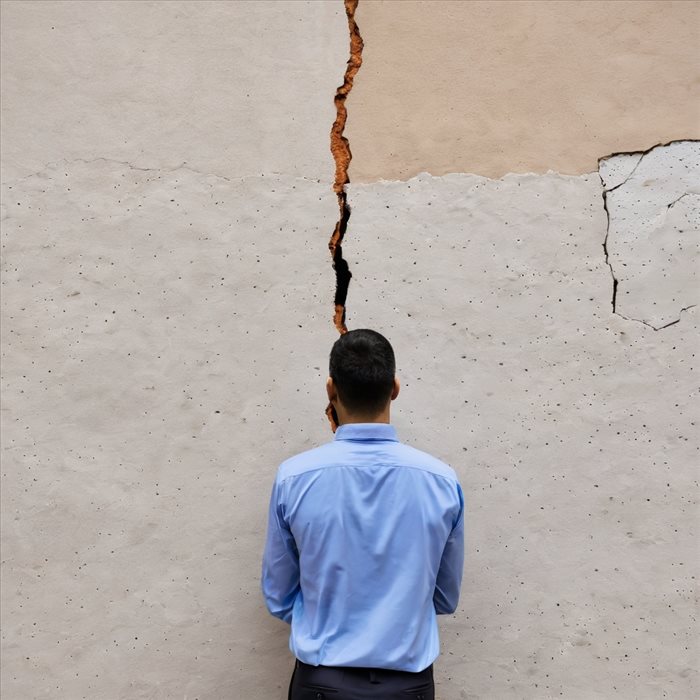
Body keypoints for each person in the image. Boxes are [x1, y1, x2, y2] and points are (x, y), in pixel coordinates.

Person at [261, 329, 465, 699]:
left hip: (322, 681)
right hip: (408, 686)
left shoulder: (295, 477)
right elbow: (445, 596)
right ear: (395, 388)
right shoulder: (440, 480)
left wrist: (327, 621)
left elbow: (278, 595)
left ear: (330, 390)